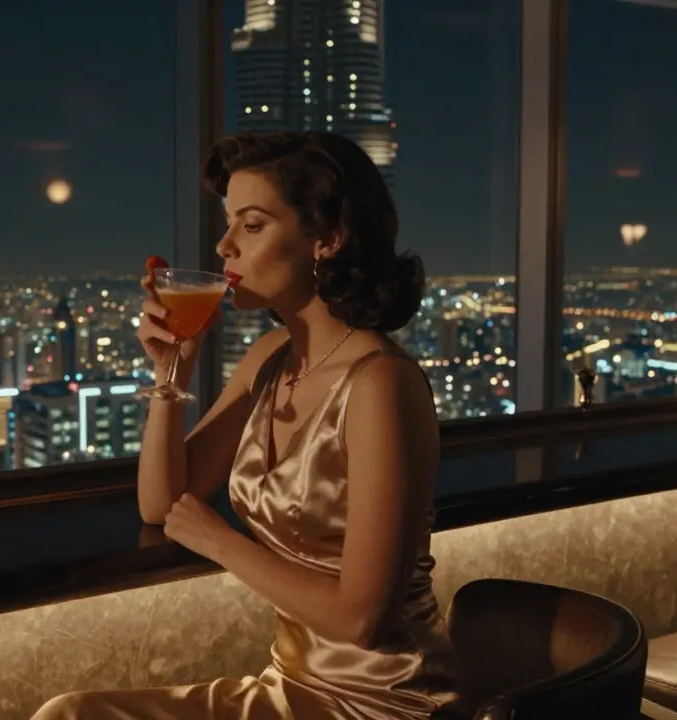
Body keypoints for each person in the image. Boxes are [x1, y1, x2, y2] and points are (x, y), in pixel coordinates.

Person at [31, 132, 461, 720]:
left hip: (386, 704)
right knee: (69, 713)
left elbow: (362, 620)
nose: (223, 244)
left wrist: (218, 540)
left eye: (251, 225)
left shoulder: (380, 384)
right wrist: (171, 372)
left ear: (327, 239)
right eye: (228, 221)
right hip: (293, 689)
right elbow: (161, 505)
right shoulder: (268, 358)